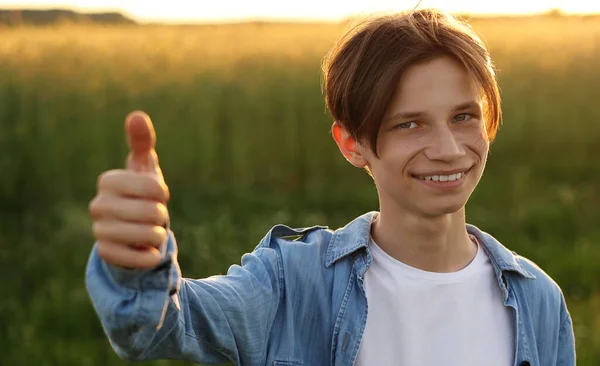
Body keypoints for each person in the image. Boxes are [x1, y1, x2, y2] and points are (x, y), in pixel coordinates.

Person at [85, 7, 575, 366]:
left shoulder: (539, 302)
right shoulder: (291, 283)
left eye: (463, 116)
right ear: (351, 144)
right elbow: (164, 327)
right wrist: (137, 261)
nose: (448, 148)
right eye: (409, 124)